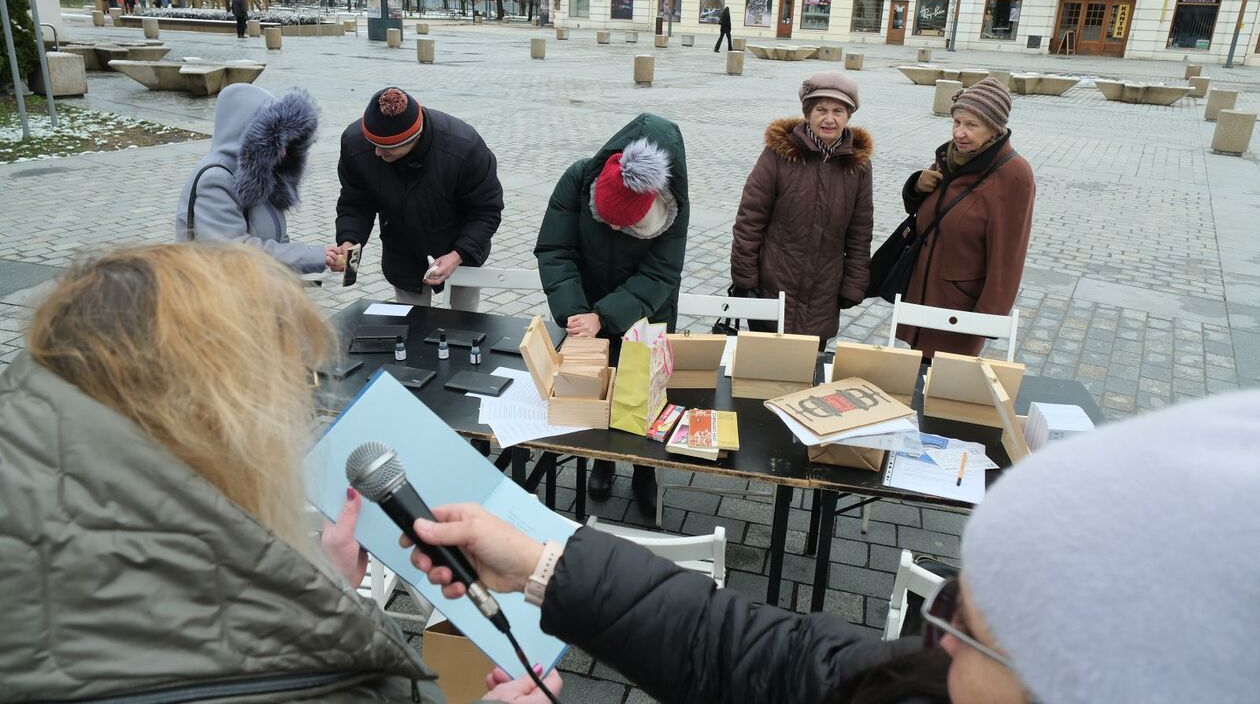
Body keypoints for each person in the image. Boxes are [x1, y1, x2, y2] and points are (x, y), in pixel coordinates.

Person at [404, 392, 1260, 704]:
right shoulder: (931, 684)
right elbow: (764, 657)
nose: (937, 623)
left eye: (972, 629)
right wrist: (544, 564)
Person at [0, 243, 446, 702]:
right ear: (216, 420)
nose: (299, 408)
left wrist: (323, 578)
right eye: (295, 383)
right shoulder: (325, 688)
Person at [534, 113, 688, 515]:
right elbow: (555, 250)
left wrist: (607, 315)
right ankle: (602, 461)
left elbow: (662, 272)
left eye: (630, 224)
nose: (617, 232)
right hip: (586, 303)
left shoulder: (674, 200)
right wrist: (577, 313)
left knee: (644, 390)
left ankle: (643, 469)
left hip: (646, 310)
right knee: (598, 387)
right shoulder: (578, 177)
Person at [731, 71, 873, 346]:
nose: (829, 119)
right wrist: (745, 278)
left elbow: (860, 230)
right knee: (765, 367)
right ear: (807, 113)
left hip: (823, 290)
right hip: (773, 283)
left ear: (849, 116)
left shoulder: (858, 166)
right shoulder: (779, 154)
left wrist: (853, 284)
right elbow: (750, 219)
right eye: (821, 110)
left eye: (838, 111)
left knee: (807, 371)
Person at [898, 78, 1035, 358]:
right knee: (915, 373)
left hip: (960, 305)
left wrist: (985, 320)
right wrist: (915, 186)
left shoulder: (1014, 173)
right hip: (923, 290)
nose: (960, 133)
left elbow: (1008, 256)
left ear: (994, 128)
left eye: (971, 125)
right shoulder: (951, 156)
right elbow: (927, 213)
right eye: (957, 123)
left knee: (943, 381)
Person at [336, 86, 504, 309]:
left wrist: (458, 254)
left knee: (465, 323)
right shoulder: (356, 143)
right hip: (402, 248)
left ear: (414, 139)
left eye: (387, 150)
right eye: (373, 145)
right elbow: (356, 202)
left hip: (460, 243)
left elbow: (486, 210)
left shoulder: (464, 146)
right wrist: (349, 241)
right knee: (410, 323)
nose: (377, 153)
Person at [176, 83, 338, 274]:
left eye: (286, 141)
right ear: (249, 136)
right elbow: (234, 253)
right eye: (275, 141)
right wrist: (314, 255)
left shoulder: (261, 173)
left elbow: (276, 240)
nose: (284, 150)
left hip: (254, 290)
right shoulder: (216, 179)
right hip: (219, 296)